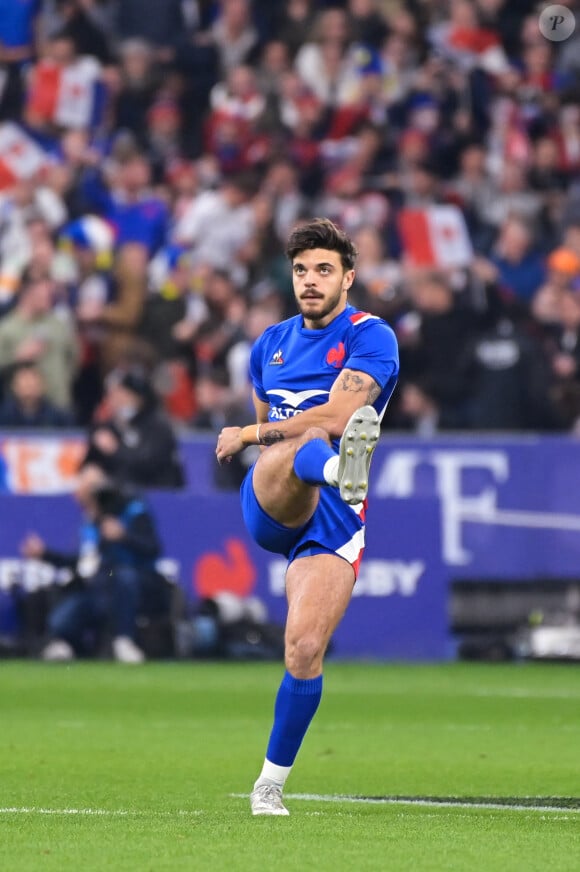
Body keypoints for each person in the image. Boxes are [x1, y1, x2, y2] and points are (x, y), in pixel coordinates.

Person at [215, 218, 399, 815]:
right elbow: (282, 433)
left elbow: (344, 412)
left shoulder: (372, 337)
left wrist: (247, 432)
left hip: (336, 520)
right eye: (301, 271)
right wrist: (263, 437)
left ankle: (268, 785)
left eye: (324, 270)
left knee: (303, 648)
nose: (311, 281)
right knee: (293, 449)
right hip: (276, 501)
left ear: (348, 277)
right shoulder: (267, 345)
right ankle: (331, 470)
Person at [20, 464, 166, 663]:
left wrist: (124, 536)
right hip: (102, 584)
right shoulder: (89, 523)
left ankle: (124, 639)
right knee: (68, 610)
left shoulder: (132, 508)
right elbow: (82, 562)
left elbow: (153, 547)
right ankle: (62, 643)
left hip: (138, 580)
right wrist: (45, 554)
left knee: (123, 577)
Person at [83, 367, 186, 489]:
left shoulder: (158, 427)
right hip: (118, 492)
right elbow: (91, 463)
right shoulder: (108, 428)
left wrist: (115, 450)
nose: (116, 401)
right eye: (112, 395)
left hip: (157, 492)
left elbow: (150, 463)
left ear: (138, 397)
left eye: (122, 395)